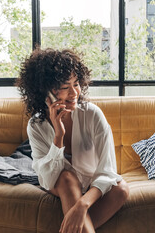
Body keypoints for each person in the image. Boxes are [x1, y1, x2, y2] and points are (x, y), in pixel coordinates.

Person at [16, 47, 129, 233]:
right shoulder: (36, 125)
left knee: (121, 189)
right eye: (64, 87)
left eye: (76, 84)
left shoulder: (92, 114)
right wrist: (58, 136)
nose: (74, 93)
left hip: (91, 182)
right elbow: (48, 178)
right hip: (61, 182)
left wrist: (82, 205)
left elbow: (108, 170)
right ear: (46, 92)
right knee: (67, 178)